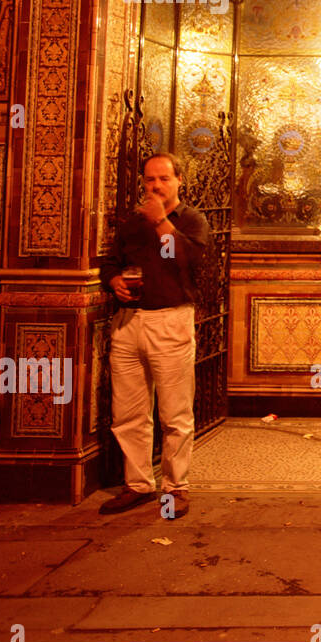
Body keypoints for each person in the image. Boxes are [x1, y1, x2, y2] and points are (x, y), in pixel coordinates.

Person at [97, 153, 211, 518]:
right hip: (130, 322)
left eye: (164, 178)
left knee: (175, 412)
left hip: (171, 321)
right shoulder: (133, 224)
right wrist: (114, 280)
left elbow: (188, 260)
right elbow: (112, 261)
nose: (156, 186)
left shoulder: (191, 220)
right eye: (149, 180)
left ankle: (176, 489)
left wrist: (161, 221)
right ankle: (138, 484)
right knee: (128, 412)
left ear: (179, 181)